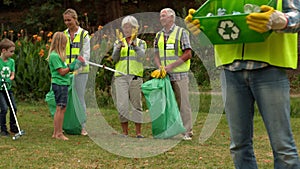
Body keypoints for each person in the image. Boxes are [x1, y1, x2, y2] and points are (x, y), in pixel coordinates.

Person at [186, 0, 300, 168]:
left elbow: (297, 14)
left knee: (282, 146)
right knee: (239, 146)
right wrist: (202, 24)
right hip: (231, 70)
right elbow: (213, 15)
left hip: (269, 68)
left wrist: (282, 20)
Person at [153, 8, 193, 141]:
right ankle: (169, 130)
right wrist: (160, 67)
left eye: (163, 16)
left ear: (171, 18)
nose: (161, 18)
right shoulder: (158, 35)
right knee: (166, 104)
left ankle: (187, 131)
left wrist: (171, 66)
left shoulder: (181, 32)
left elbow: (188, 54)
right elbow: (156, 55)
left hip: (179, 74)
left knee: (183, 103)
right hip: (164, 75)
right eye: (160, 16)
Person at [112, 15, 147, 138]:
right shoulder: (118, 42)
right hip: (121, 77)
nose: (127, 30)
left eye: (130, 27)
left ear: (135, 28)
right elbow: (114, 59)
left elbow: (142, 57)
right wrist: (117, 48)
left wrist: (135, 46)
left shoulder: (141, 43)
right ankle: (125, 132)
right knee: (122, 106)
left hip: (135, 77)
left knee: (137, 105)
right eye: (125, 27)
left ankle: (138, 133)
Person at [47, 32, 85, 140]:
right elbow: (62, 72)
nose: (65, 45)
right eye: (64, 43)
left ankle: (56, 132)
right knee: (61, 108)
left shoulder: (58, 56)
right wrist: (73, 66)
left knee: (61, 108)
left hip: (62, 84)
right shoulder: (54, 56)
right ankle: (58, 133)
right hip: (60, 85)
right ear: (60, 43)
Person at [63, 8, 90, 136]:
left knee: (79, 98)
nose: (67, 22)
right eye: (65, 20)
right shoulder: (63, 35)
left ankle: (82, 126)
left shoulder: (84, 34)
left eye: (69, 20)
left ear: (75, 19)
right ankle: (67, 125)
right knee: (66, 99)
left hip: (81, 71)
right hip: (66, 70)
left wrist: (77, 66)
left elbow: (86, 54)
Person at [0, 38, 18, 136]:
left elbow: (12, 74)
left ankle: (13, 126)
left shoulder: (12, 62)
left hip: (8, 88)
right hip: (0, 90)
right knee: (4, 108)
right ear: (4, 50)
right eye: (11, 51)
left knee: (13, 107)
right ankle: (3, 128)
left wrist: (9, 79)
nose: (13, 53)